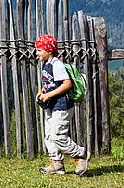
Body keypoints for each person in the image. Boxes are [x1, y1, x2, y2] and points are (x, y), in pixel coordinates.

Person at [35, 34, 90, 175]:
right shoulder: (46, 65)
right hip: (51, 105)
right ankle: (56, 164)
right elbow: (50, 83)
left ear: (49, 50)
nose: (37, 53)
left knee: (58, 135)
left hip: (62, 105)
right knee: (49, 135)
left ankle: (80, 154)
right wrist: (42, 92)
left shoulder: (57, 64)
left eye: (40, 50)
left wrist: (48, 95)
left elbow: (67, 84)